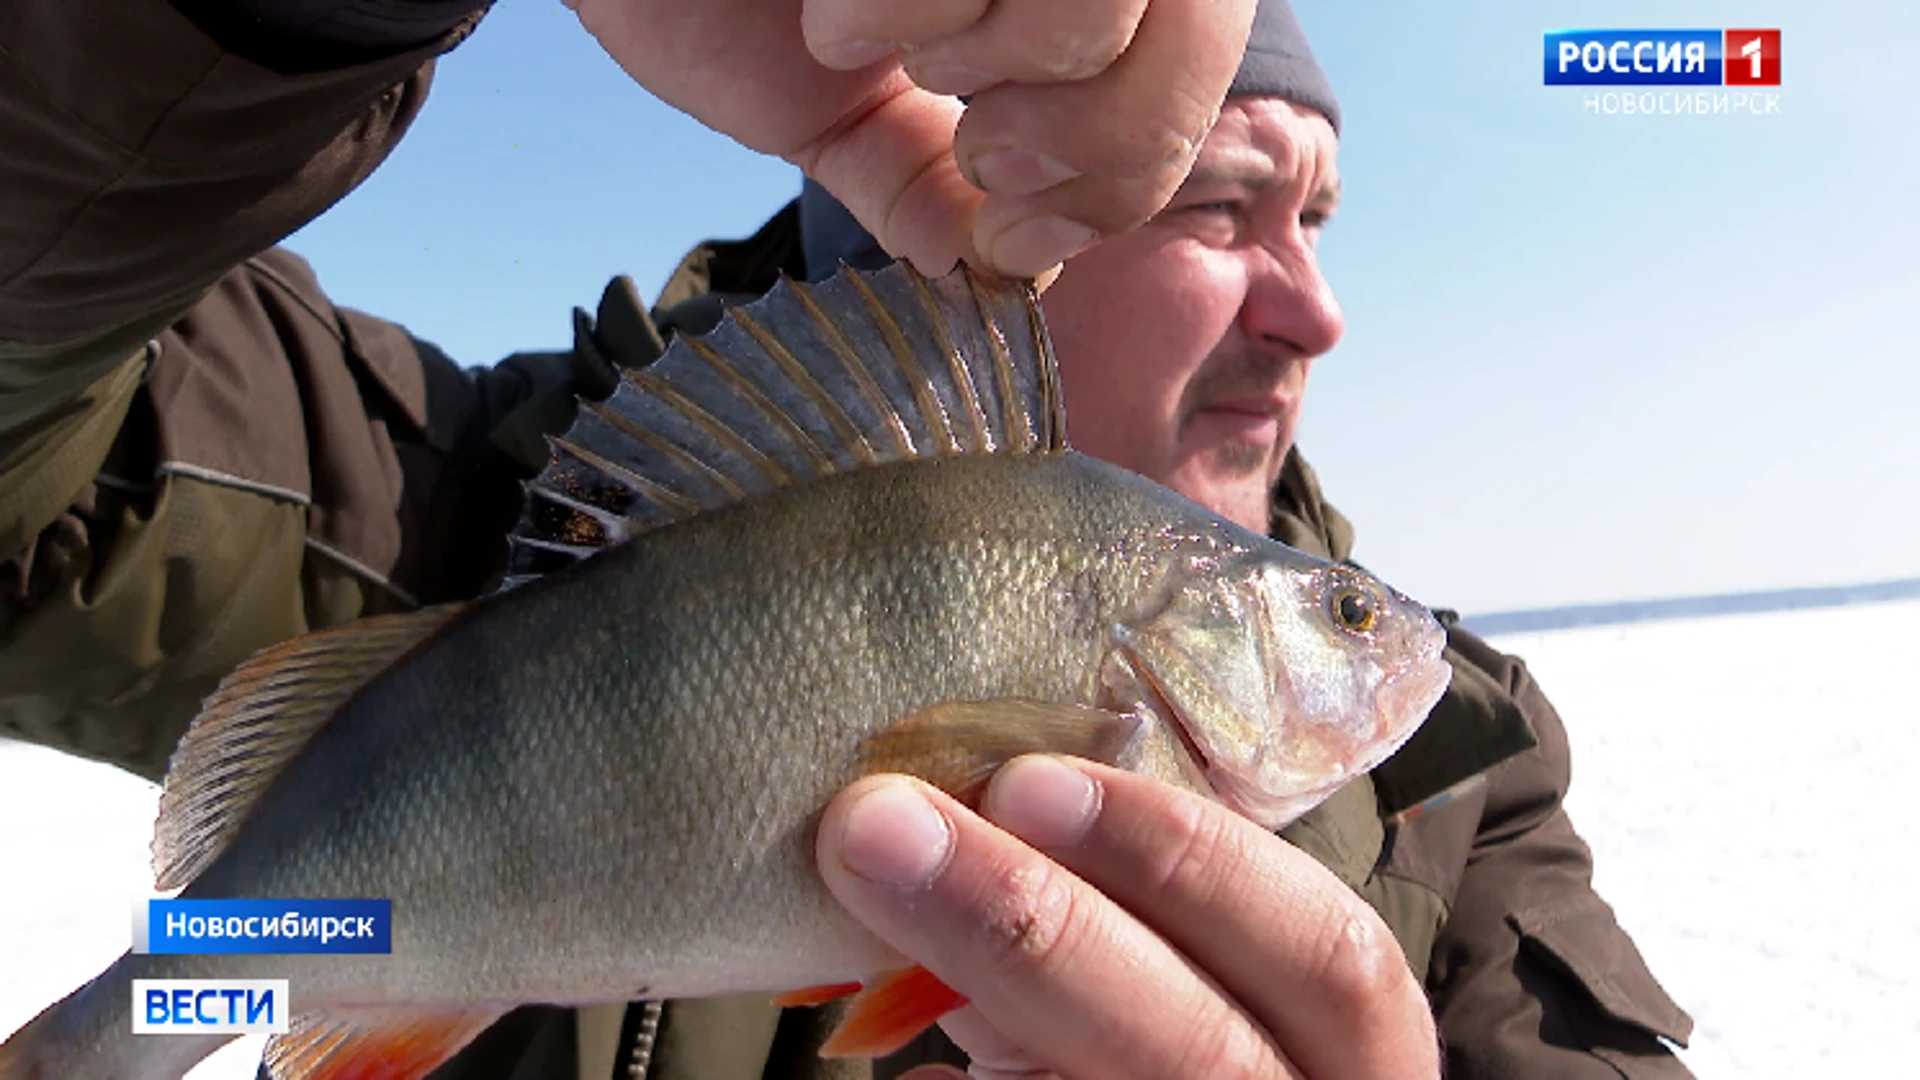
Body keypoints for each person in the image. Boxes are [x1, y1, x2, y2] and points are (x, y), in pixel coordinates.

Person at [0, 1, 1695, 1078]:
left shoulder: (1474, 780)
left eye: (1318, 219)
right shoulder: (471, 503)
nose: (1316, 310)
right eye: (1216, 204)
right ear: (1005, 194)